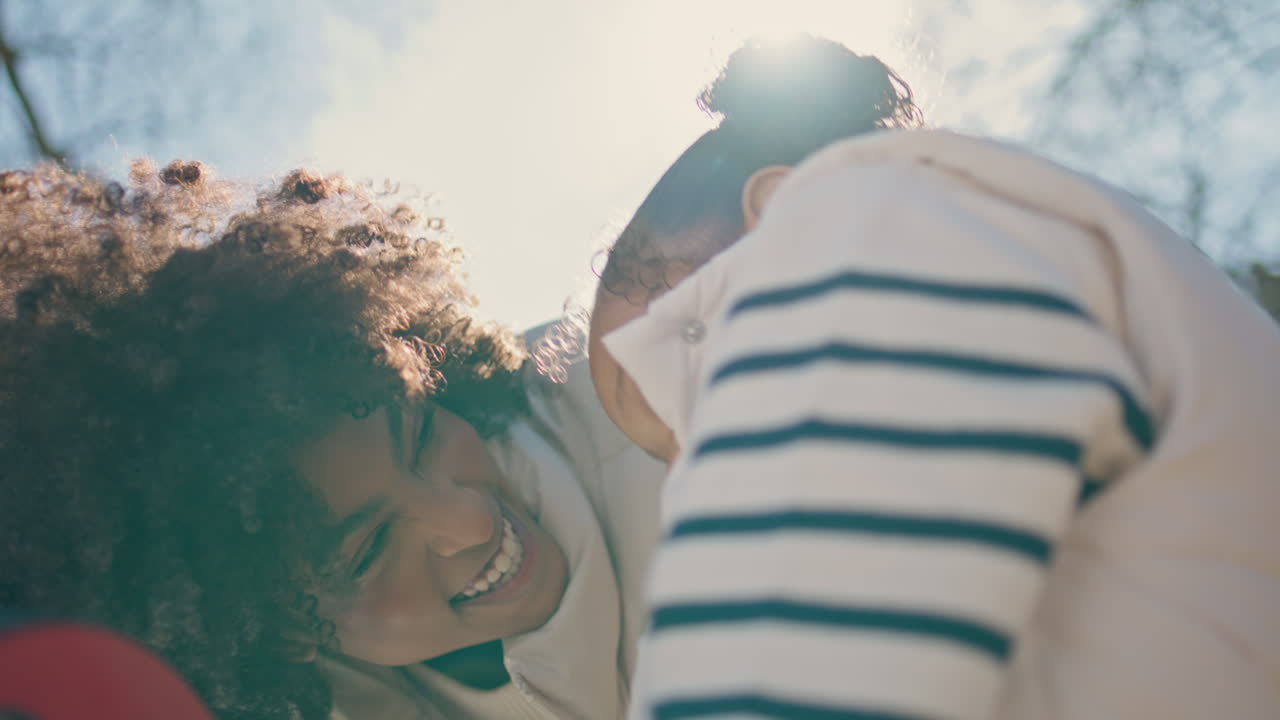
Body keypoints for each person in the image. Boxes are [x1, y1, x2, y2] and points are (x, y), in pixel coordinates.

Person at [588, 35, 1280, 719]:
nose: (699, 459)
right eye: (677, 447)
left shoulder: (887, 234)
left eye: (681, 382)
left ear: (778, 204)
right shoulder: (1028, 253)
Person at [0, 161, 663, 720]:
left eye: (424, 434)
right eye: (368, 550)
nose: (468, 518)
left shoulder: (648, 394)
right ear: (283, 631)